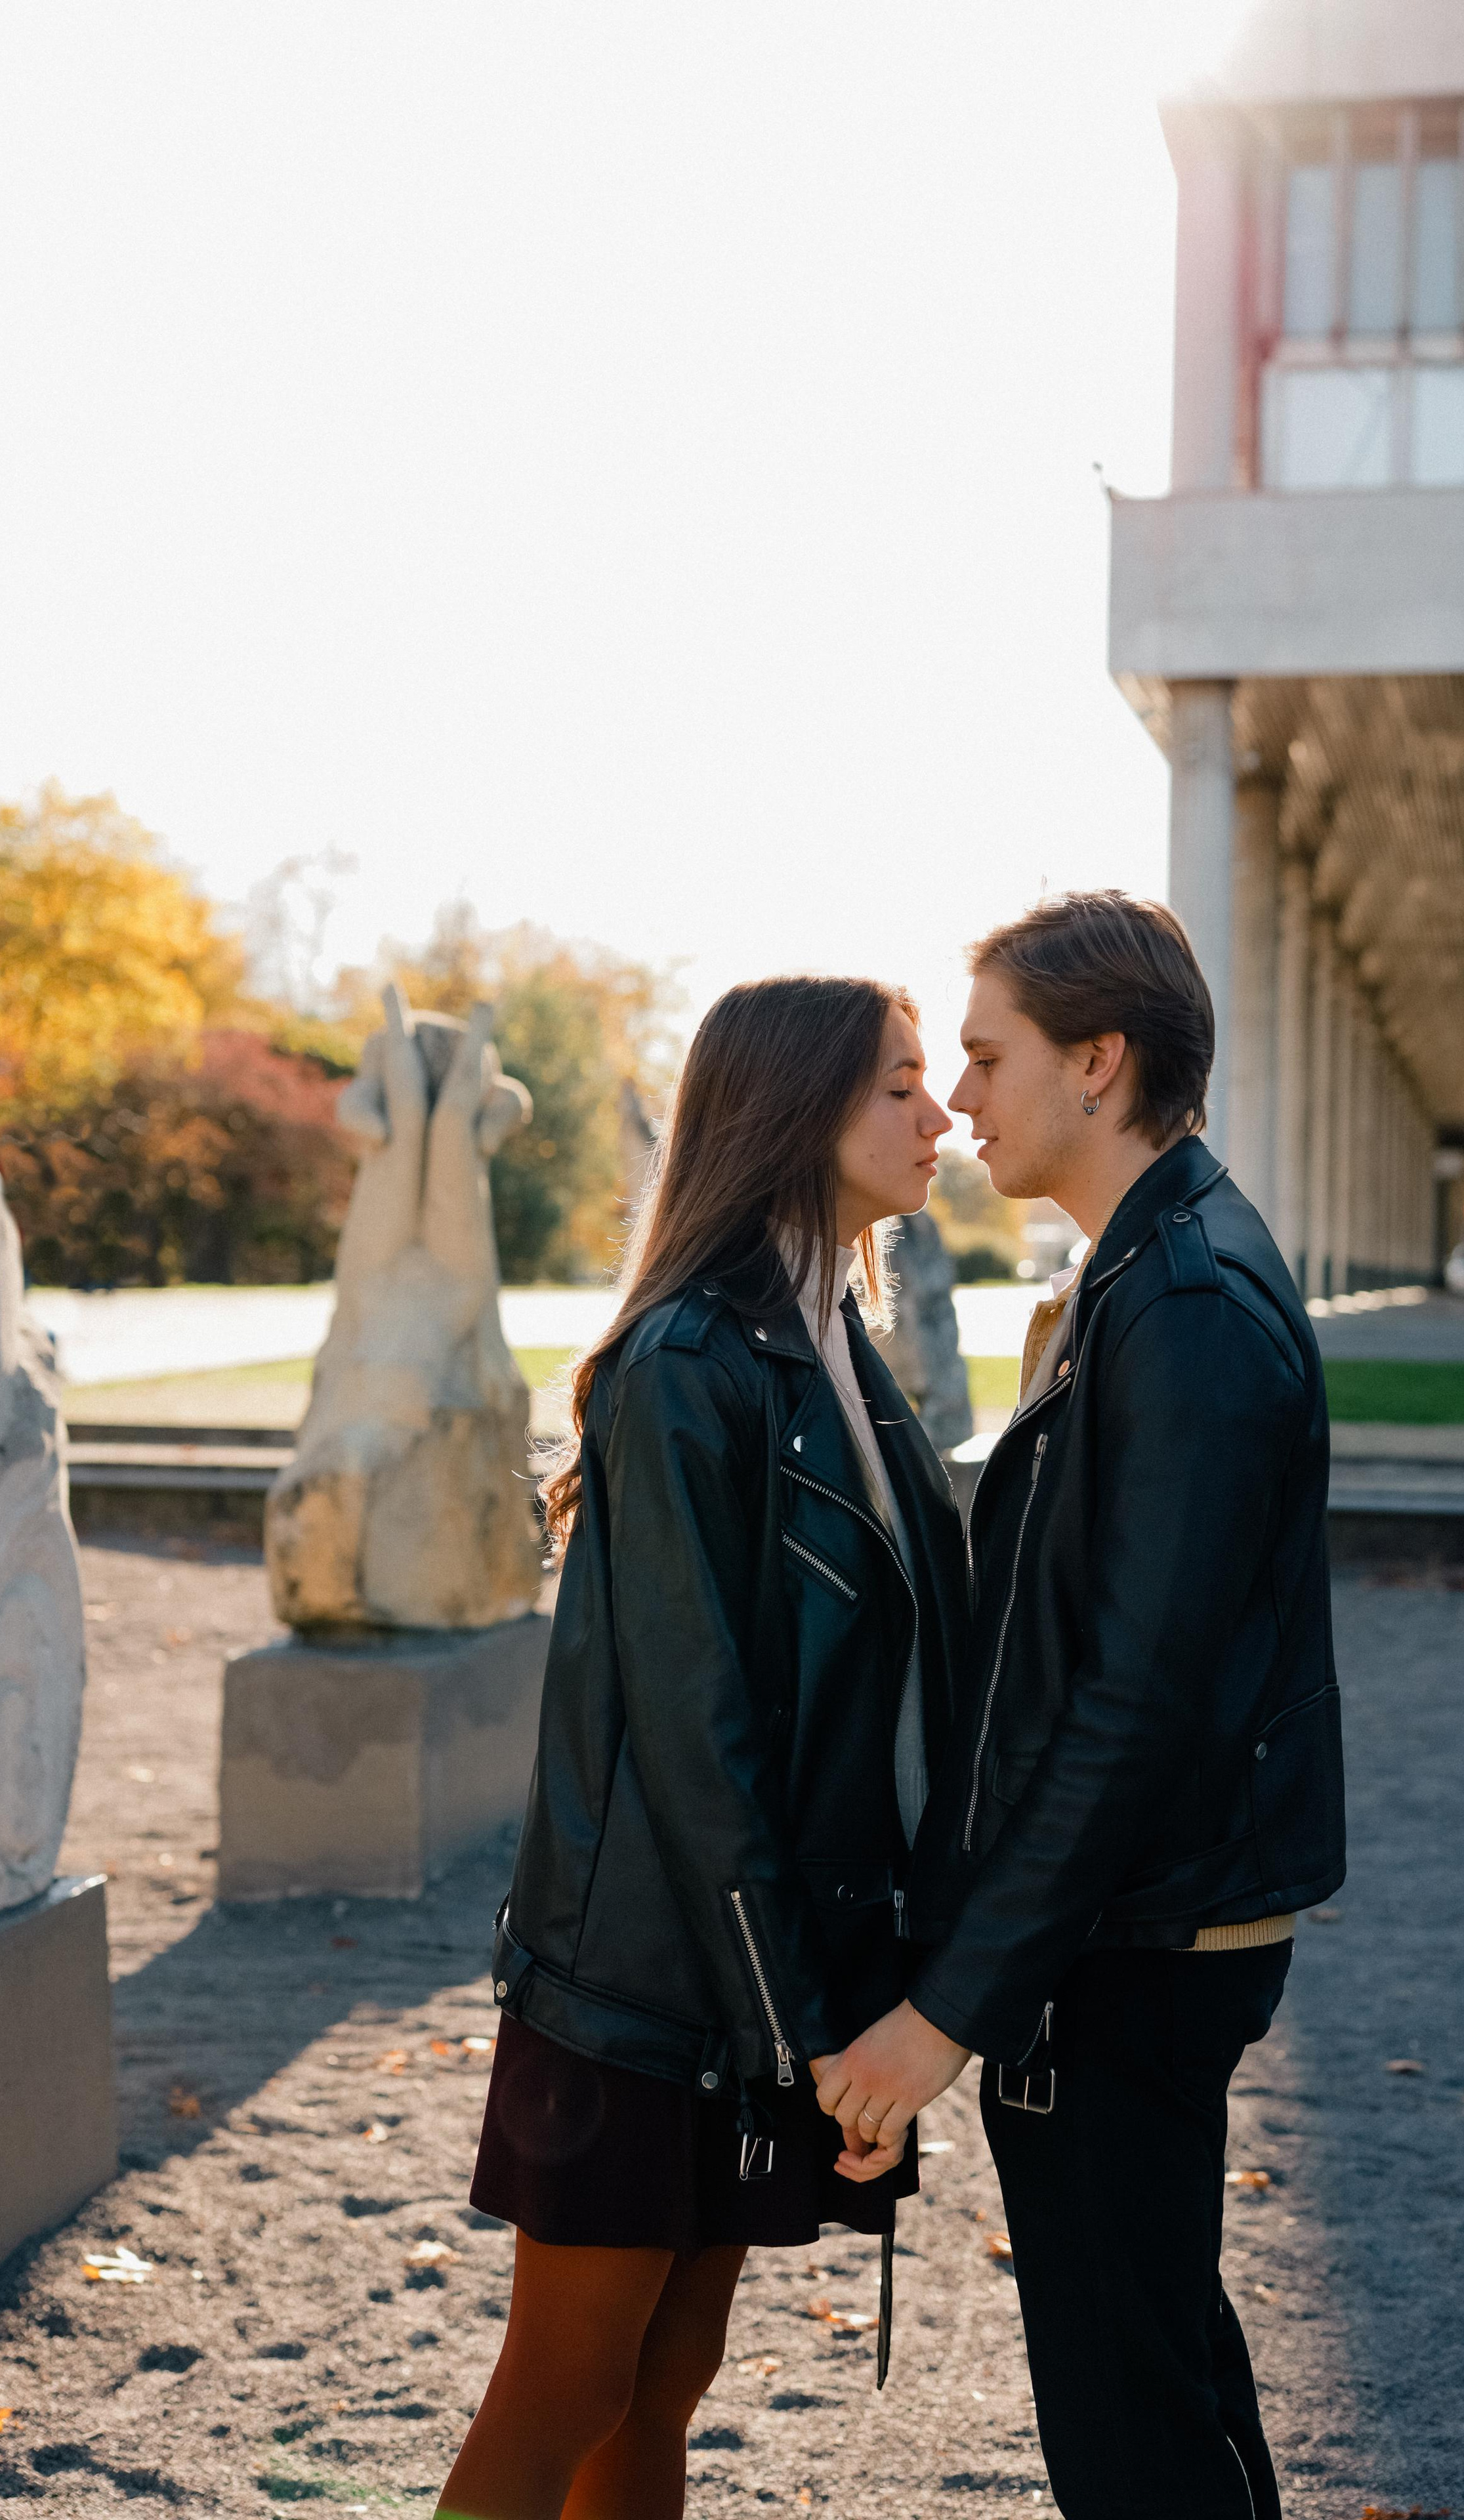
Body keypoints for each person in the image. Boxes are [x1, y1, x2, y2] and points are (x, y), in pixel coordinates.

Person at [815, 891, 1345, 2520]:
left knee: (1126, 2422)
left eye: (985, 1056)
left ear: (1098, 1062)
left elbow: (1132, 1712)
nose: (959, 1097)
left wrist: (947, 2011)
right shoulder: (1144, 1278)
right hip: (1136, 1933)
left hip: (1136, 1949)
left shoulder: (1181, 1311)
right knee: (1158, 2361)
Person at [435, 975, 969, 2520]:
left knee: (664, 2385)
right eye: (902, 1085)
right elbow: (692, 1729)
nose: (938, 1117)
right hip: (641, 1983)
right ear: (795, 1110)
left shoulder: (836, 1349)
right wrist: (805, 2021)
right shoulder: (687, 1363)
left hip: (757, 1972)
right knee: (566, 2389)